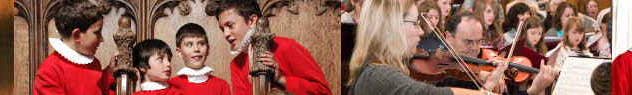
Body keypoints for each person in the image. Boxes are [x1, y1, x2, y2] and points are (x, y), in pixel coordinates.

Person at [347, 0, 496, 94]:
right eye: (414, 24)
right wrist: (487, 92)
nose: (421, 31)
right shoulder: (377, 75)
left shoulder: (380, 70)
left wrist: (484, 82)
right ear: (392, 27)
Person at [207, 0, 330, 94]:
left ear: (252, 21)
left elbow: (323, 91)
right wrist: (252, 81)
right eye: (222, 29)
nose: (226, 34)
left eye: (230, 25)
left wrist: (281, 79)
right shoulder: (236, 64)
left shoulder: (286, 46)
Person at [33, 0, 115, 94]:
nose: (101, 39)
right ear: (76, 35)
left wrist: (110, 71)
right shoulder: (50, 70)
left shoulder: (94, 63)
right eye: (97, 32)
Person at [167, 23, 231, 95]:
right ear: (179, 52)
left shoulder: (222, 85)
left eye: (201, 43)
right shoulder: (170, 86)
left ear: (208, 49)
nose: (196, 49)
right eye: (189, 44)